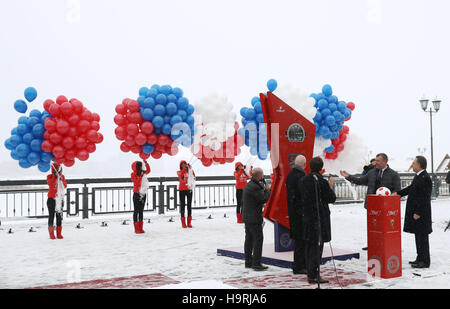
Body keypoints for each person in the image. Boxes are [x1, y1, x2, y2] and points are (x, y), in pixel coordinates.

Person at [340, 153, 401, 250]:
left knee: (384, 227)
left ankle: (384, 245)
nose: (375, 163)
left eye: (378, 161)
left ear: (385, 162)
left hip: (386, 208)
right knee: (373, 225)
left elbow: (398, 190)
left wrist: (391, 196)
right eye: (375, 160)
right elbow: (360, 181)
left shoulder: (394, 174)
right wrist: (348, 176)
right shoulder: (372, 172)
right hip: (372, 206)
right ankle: (372, 244)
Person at [299, 157, 336, 284]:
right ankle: (314, 274)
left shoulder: (303, 180)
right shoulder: (321, 182)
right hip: (318, 219)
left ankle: (310, 272)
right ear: (321, 168)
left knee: (309, 246)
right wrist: (330, 186)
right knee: (316, 247)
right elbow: (331, 198)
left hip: (308, 217)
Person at [392, 156, 432, 269]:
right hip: (416, 211)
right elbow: (411, 189)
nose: (412, 165)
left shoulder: (425, 177)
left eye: (414, 163)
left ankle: (425, 261)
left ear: (419, 165)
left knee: (422, 237)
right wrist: (397, 194)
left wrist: (418, 212)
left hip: (421, 214)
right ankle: (419, 258)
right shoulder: (418, 176)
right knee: (418, 236)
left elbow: (424, 197)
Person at [242, 168, 271, 271]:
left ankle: (248, 261)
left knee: (249, 240)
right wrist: (267, 190)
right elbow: (263, 199)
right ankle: (256, 263)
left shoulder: (249, 185)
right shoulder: (255, 187)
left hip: (248, 217)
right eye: (262, 175)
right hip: (254, 218)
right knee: (258, 240)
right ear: (259, 176)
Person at [285, 155, 307, 275]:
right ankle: (299, 266)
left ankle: (297, 265)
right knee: (301, 241)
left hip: (293, 212)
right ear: (304, 164)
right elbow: (303, 195)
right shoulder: (302, 176)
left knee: (298, 241)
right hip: (300, 213)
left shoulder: (290, 175)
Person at [46, 163, 67, 240]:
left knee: (59, 216)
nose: (59, 171)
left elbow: (65, 186)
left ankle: (59, 234)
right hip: (51, 199)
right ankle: (51, 234)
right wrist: (55, 177)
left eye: (60, 169)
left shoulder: (62, 177)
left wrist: (61, 179)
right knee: (51, 216)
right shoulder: (49, 177)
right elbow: (50, 184)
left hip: (60, 199)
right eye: (57, 169)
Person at [131, 160, 150, 234]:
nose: (141, 167)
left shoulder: (143, 172)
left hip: (143, 193)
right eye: (139, 165)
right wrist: (140, 176)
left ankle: (141, 228)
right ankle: (136, 228)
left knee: (141, 211)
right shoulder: (133, 174)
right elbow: (136, 182)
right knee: (136, 210)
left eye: (141, 165)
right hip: (136, 193)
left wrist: (146, 163)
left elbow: (148, 170)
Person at [178, 160, 196, 228]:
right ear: (180, 166)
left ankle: (189, 222)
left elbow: (193, 176)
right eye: (182, 164)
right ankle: (183, 223)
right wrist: (184, 169)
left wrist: (190, 169)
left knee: (189, 206)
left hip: (189, 190)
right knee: (182, 206)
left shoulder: (189, 171)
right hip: (182, 190)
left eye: (184, 164)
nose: (184, 165)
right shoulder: (179, 172)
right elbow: (181, 178)